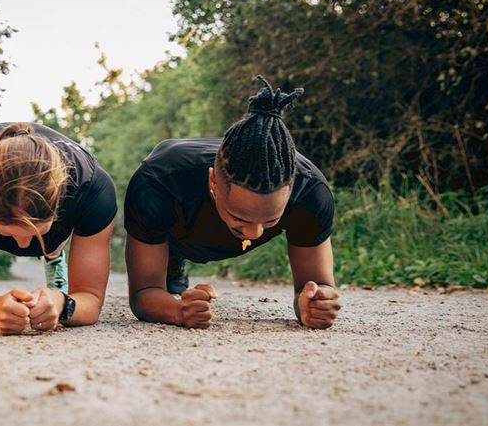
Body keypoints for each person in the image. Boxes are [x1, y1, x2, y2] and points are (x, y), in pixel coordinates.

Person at [123, 78, 341, 329]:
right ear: (213, 181)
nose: (253, 233)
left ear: (291, 188)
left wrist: (314, 303)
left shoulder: (311, 194)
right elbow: (144, 293)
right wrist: (177, 311)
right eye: (241, 218)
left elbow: (315, 285)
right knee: (170, 289)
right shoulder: (158, 182)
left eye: (270, 220)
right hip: (176, 231)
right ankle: (174, 266)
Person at [0, 122, 116, 335]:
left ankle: (52, 249)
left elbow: (90, 299)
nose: (24, 246)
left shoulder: (93, 190)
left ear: (62, 196)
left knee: (50, 242)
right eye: (9, 231)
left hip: (59, 222)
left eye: (36, 232)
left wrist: (61, 303)